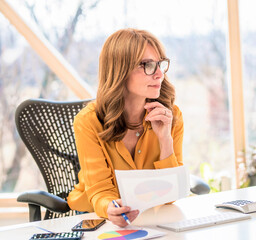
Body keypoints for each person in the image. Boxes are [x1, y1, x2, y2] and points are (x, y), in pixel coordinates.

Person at [67, 28, 184, 227]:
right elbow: (101, 192)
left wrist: (165, 140)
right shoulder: (88, 121)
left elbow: (170, 196)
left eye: (160, 64)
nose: (159, 74)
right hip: (95, 218)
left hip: (148, 217)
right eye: (147, 65)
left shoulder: (170, 115)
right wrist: (111, 208)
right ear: (120, 70)